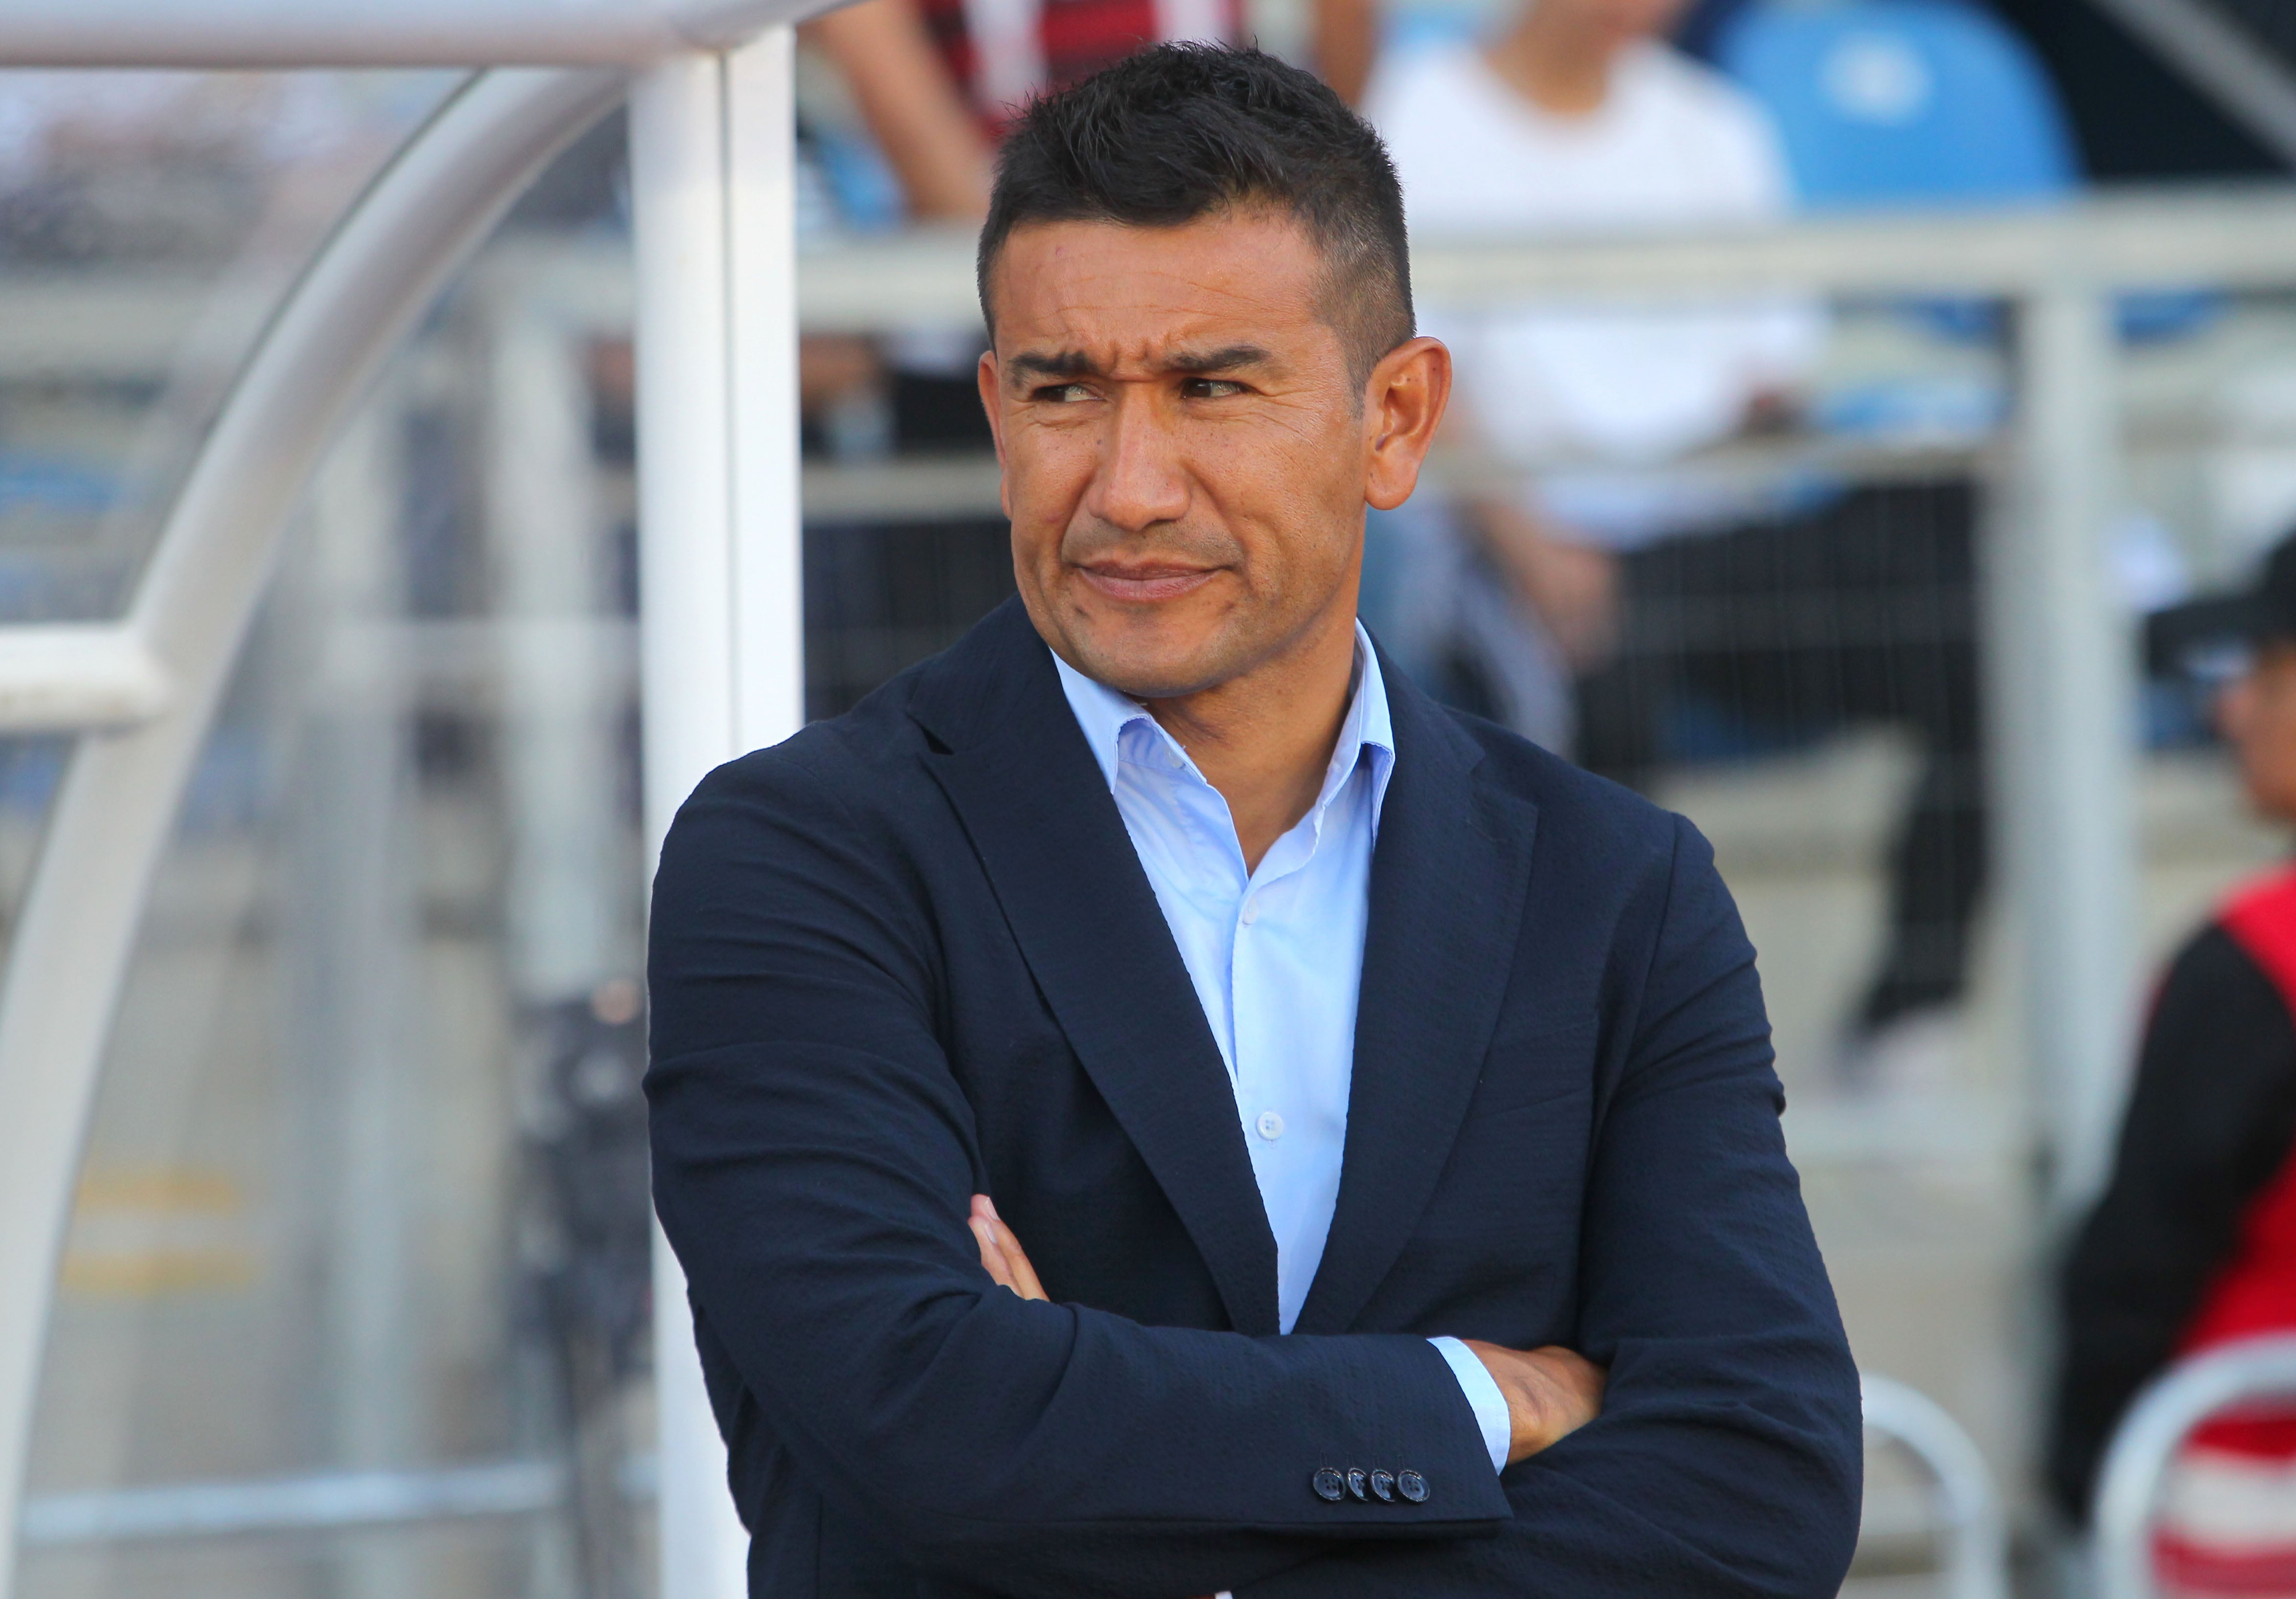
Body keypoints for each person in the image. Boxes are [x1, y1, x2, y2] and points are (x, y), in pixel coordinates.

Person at [647, 44, 1860, 1597]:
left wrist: (1092, 1431)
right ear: (994, 411)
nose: (1131, 484)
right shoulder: (803, 860)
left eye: (1214, 388)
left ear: (1399, 419)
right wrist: (1481, 1399)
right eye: (1063, 391)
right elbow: (930, 1422)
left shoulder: (1616, 889)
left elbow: (1760, 1492)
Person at [1361, 0, 1986, 1055]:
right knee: (1603, 673)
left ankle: (1907, 1014)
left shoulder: (1714, 122)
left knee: (1975, 620)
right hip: (1525, 539)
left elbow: (1770, 382)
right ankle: (1615, 1063)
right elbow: (1409, 375)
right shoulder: (1418, 117)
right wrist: (1532, 547)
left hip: (1711, 539)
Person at [2049, 485, 2296, 1524]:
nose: (2233, 707)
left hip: (2285, 1520)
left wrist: (2082, 1479)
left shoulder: (2263, 959)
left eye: (2276, 672)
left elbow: (2130, 1283)